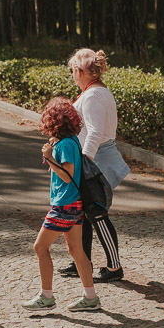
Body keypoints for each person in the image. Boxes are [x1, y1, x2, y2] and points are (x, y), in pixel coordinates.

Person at [22, 97, 101, 312]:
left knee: (40, 247)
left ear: (52, 121)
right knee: (76, 250)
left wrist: (49, 157)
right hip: (74, 203)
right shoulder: (69, 140)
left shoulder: (65, 144)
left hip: (65, 204)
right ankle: (90, 297)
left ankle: (46, 296)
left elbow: (67, 175)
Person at [59, 48, 130, 283]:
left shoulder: (93, 96)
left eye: (73, 70)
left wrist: (84, 162)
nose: (72, 75)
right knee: (84, 213)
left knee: (96, 213)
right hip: (95, 158)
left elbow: (96, 132)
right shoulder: (96, 91)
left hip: (96, 160)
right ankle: (83, 262)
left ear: (80, 71)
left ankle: (114, 268)